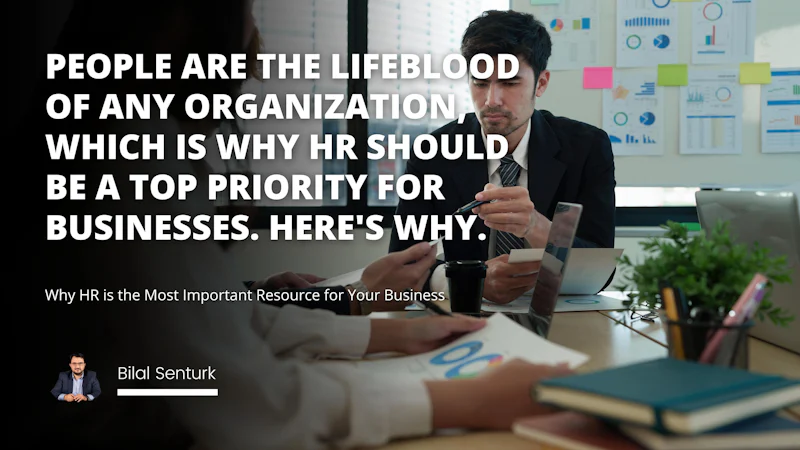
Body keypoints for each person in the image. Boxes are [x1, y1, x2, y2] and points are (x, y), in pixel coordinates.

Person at [37, 1, 574, 448]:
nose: (257, 41)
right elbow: (238, 394)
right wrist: (462, 397)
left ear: (540, 83)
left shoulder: (128, 134)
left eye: (510, 80)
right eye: (247, 15)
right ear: (184, 26)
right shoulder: (130, 158)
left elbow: (217, 319)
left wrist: (387, 331)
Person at [389, 10, 616, 305]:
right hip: (466, 313)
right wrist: (472, 282)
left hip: (558, 313)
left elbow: (599, 270)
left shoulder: (586, 147)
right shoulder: (434, 152)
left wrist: (536, 227)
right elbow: (401, 264)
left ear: (541, 83)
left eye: (509, 83)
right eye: (480, 82)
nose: (491, 100)